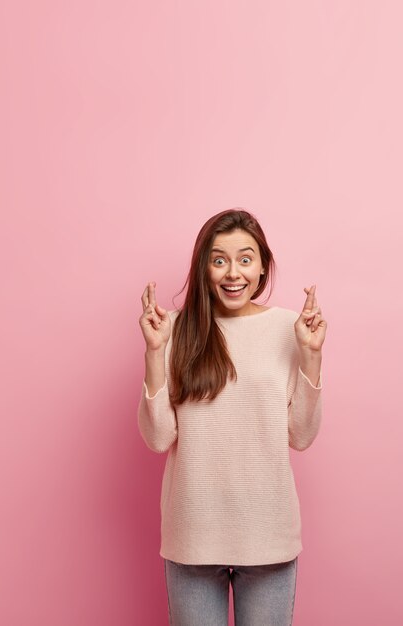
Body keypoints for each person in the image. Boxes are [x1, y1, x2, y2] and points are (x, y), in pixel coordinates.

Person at [137, 208, 326, 625]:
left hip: (268, 533)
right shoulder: (175, 329)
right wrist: (154, 352)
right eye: (218, 259)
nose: (232, 272)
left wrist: (311, 357)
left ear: (262, 267)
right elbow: (157, 437)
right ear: (203, 266)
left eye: (245, 258)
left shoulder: (290, 329)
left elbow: (301, 435)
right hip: (194, 534)